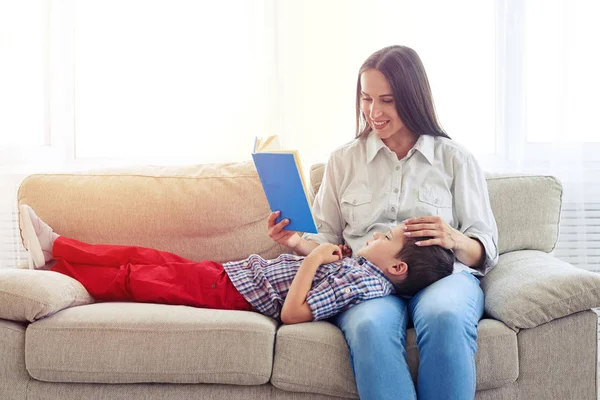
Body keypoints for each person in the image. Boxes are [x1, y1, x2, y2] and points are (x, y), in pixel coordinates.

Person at [268, 45, 499, 399]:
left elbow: (486, 249)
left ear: (412, 98)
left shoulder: (455, 159)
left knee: (445, 318)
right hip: (365, 279)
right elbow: (326, 237)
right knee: (370, 327)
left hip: (441, 279)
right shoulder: (344, 160)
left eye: (387, 100)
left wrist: (454, 238)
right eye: (366, 98)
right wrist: (297, 242)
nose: (373, 112)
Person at [18, 204, 453, 324]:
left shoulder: (365, 287)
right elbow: (318, 261)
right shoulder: (363, 267)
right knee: (147, 257)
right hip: (232, 275)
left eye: (388, 238)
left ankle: (57, 270)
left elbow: (294, 312)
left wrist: (315, 257)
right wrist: (303, 245)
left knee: (138, 277)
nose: (377, 235)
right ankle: (59, 246)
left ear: (397, 269)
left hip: (229, 292)